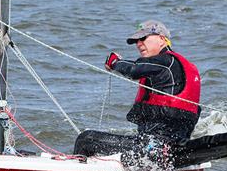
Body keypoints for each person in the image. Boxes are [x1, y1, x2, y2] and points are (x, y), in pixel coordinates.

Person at [73, 20, 201, 163]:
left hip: (153, 147)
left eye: (143, 38)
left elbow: (134, 69)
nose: (139, 44)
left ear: (161, 39)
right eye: (136, 41)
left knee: (85, 139)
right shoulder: (176, 66)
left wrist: (115, 63)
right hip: (171, 148)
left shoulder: (165, 62)